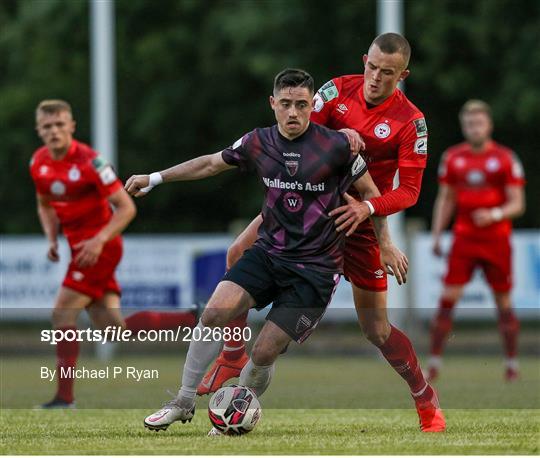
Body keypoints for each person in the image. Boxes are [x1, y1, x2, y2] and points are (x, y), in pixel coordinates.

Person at [125, 68, 407, 432]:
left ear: (312, 106)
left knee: (262, 352)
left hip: (315, 272)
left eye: (302, 105)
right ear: (272, 104)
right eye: (286, 104)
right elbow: (211, 163)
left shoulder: (336, 147)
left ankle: (230, 415)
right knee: (213, 314)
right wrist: (156, 178)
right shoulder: (258, 142)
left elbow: (371, 193)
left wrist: (385, 243)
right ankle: (182, 401)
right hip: (269, 254)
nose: (293, 113)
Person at [198, 33, 446, 432]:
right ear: (364, 59)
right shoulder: (334, 90)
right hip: (303, 206)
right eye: (372, 67)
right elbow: (296, 129)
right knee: (237, 252)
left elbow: (410, 192)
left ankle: (424, 398)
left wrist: (376, 226)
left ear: (403, 75)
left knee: (376, 331)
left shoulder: (411, 121)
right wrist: (333, 137)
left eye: (388, 73)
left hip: (361, 223)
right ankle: (232, 355)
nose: (376, 78)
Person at [30, 100, 196, 408]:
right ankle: (192, 317)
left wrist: (98, 239)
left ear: (71, 126)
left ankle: (64, 399)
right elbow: (44, 204)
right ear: (39, 130)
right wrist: (52, 238)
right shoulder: (38, 163)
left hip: (101, 249)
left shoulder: (92, 163)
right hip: (80, 249)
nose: (54, 131)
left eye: (59, 125)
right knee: (113, 330)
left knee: (61, 313)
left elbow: (126, 207)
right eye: (47, 126)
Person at [428, 99, 525, 382]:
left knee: (503, 302)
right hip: (464, 240)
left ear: (489, 125)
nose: (474, 128)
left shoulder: (506, 158)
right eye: (469, 123)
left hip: (497, 240)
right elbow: (445, 199)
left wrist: (494, 213)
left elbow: (518, 204)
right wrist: (437, 234)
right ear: (463, 127)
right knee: (447, 300)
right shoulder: (453, 157)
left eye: (479, 123)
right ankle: (433, 364)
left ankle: (511, 364)